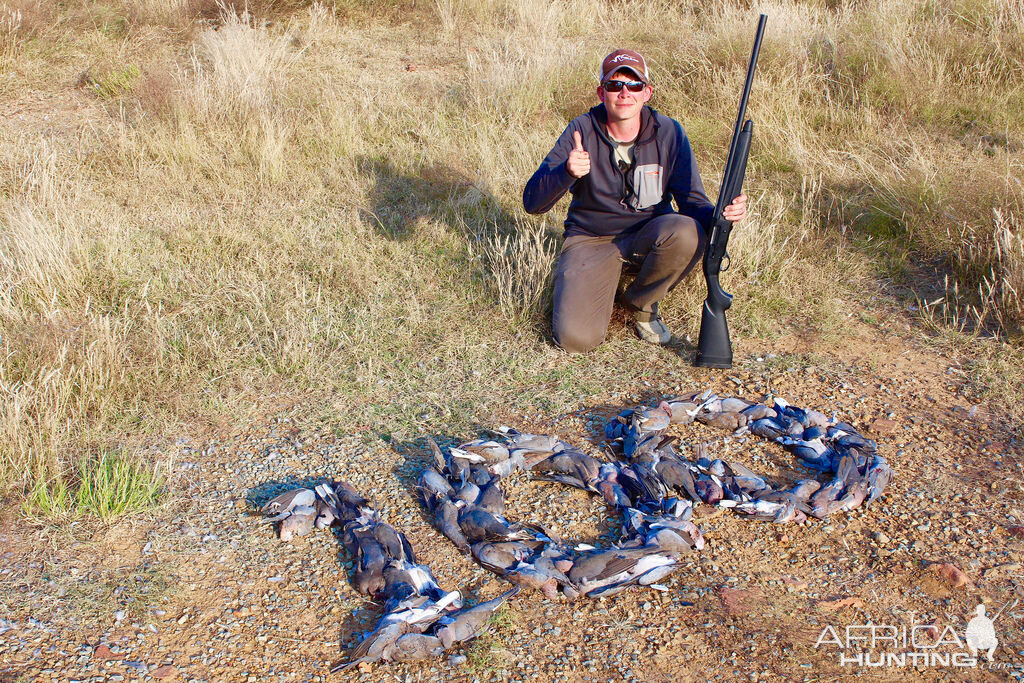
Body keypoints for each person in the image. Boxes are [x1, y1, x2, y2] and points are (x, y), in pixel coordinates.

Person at [523, 49, 747, 353]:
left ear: (647, 93)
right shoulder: (580, 129)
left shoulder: (669, 132)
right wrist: (566, 172)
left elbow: (692, 203)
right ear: (602, 93)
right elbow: (533, 202)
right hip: (592, 240)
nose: (625, 93)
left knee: (688, 232)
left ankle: (640, 303)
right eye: (615, 86)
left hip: (651, 233)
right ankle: (603, 285)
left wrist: (722, 215)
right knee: (575, 341)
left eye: (635, 85)